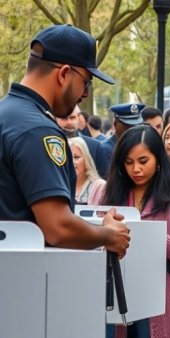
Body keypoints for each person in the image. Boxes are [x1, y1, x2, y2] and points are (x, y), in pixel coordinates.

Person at [0, 23, 129, 256]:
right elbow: (57, 227)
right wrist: (109, 235)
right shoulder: (39, 130)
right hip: (24, 280)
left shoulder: (6, 115)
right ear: (63, 73)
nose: (86, 93)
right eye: (86, 81)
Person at [94, 124, 170, 338]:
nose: (135, 169)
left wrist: (154, 238)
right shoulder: (112, 194)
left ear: (158, 159)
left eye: (143, 161)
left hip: (162, 299)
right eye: (128, 163)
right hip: (118, 294)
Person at [56, 105, 110, 178]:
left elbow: (104, 179)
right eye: (64, 118)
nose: (69, 122)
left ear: (79, 119)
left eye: (72, 117)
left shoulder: (94, 146)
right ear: (55, 119)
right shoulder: (48, 145)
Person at [68, 137, 106, 205]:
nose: (72, 162)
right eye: (68, 158)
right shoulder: (58, 187)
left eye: (76, 157)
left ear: (86, 159)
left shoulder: (100, 187)